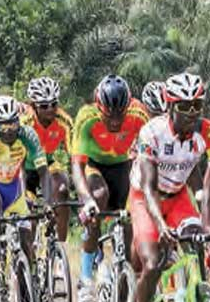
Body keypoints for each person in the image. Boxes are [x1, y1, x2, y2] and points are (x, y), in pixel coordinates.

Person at [129, 73, 210, 302]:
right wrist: (161, 225)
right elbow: (149, 188)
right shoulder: (151, 132)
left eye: (197, 105)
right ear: (170, 106)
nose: (192, 113)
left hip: (178, 196)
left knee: (198, 240)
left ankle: (192, 292)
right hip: (145, 197)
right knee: (152, 264)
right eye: (184, 106)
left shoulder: (208, 131)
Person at [71, 74, 150, 301]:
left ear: (129, 106)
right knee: (98, 197)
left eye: (120, 114)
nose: (115, 121)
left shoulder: (139, 114)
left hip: (123, 166)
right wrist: (86, 201)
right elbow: (77, 166)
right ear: (99, 107)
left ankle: (123, 287)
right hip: (94, 167)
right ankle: (86, 279)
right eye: (109, 115)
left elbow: (147, 159)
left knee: (128, 230)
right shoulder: (87, 118)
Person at [0, 96, 48, 292]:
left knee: (26, 244)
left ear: (18, 120)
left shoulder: (28, 135)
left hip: (14, 190)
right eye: (3, 127)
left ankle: (26, 288)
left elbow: (43, 173)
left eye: (13, 124)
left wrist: (49, 204)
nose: (9, 131)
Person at [20, 77, 72, 241]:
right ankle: (30, 259)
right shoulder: (24, 123)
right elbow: (17, 161)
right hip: (24, 168)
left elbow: (75, 155)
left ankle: (60, 247)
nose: (50, 109)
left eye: (54, 104)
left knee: (63, 190)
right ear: (34, 105)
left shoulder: (64, 121)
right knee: (30, 213)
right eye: (44, 105)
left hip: (47, 164)